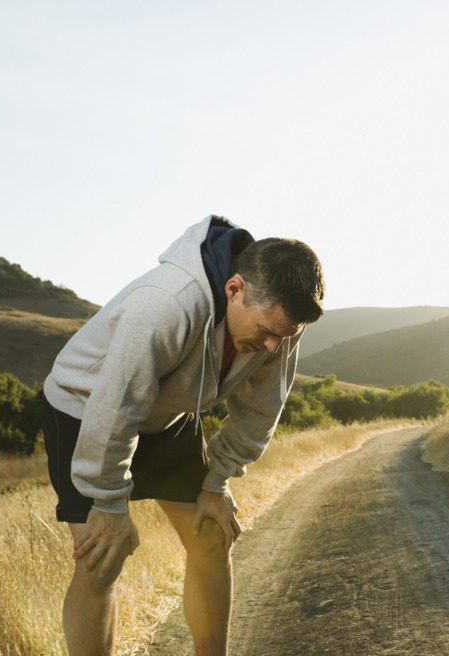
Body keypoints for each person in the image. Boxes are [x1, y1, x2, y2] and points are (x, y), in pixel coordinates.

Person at [39, 214, 324, 656]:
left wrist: (217, 481)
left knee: (212, 531)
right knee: (101, 557)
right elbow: (118, 403)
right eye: (267, 332)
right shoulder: (166, 303)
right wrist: (109, 502)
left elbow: (260, 412)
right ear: (234, 289)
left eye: (284, 337)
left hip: (170, 413)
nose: (274, 348)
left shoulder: (279, 324)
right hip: (85, 409)